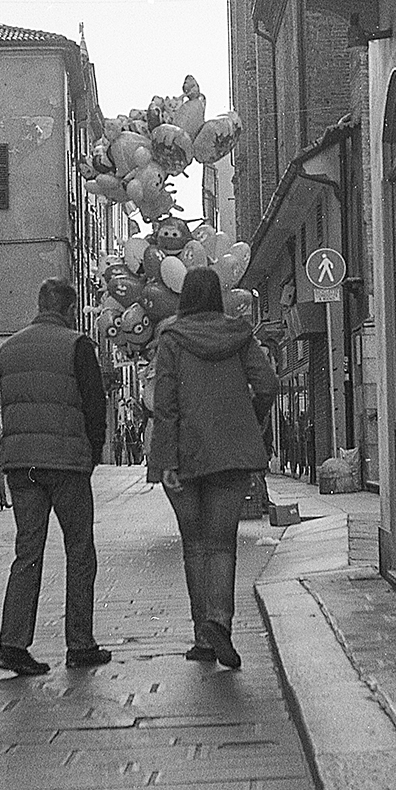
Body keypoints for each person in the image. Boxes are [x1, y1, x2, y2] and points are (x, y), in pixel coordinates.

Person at [147, 266, 277, 669]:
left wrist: (165, 460)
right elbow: (269, 385)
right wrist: (248, 420)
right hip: (232, 454)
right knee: (223, 543)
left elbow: (165, 403)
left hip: (185, 456)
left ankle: (203, 635)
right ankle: (221, 621)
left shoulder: (171, 340)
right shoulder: (239, 336)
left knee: (194, 545)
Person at [0, 278, 109, 674]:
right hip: (66, 463)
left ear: (40, 303)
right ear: (70, 308)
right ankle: (80, 642)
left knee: (27, 552)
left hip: (21, 464)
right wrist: (91, 452)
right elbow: (95, 405)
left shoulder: (9, 349)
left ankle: (12, 643)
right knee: (80, 552)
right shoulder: (77, 345)